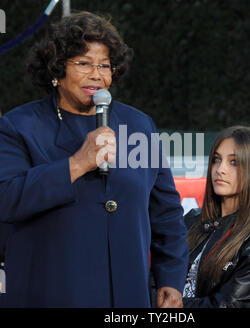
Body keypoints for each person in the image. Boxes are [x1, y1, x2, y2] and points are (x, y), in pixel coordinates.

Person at [0, 11, 188, 308]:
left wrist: (171, 278)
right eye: (84, 63)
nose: (97, 75)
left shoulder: (138, 126)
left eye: (105, 65)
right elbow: (6, 198)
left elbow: (165, 213)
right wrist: (76, 165)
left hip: (126, 295)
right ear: (56, 70)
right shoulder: (18, 126)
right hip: (51, 291)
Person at [182, 126, 250, 308]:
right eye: (216, 160)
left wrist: (169, 306)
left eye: (234, 162)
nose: (220, 169)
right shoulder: (192, 220)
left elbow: (227, 306)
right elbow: (154, 280)